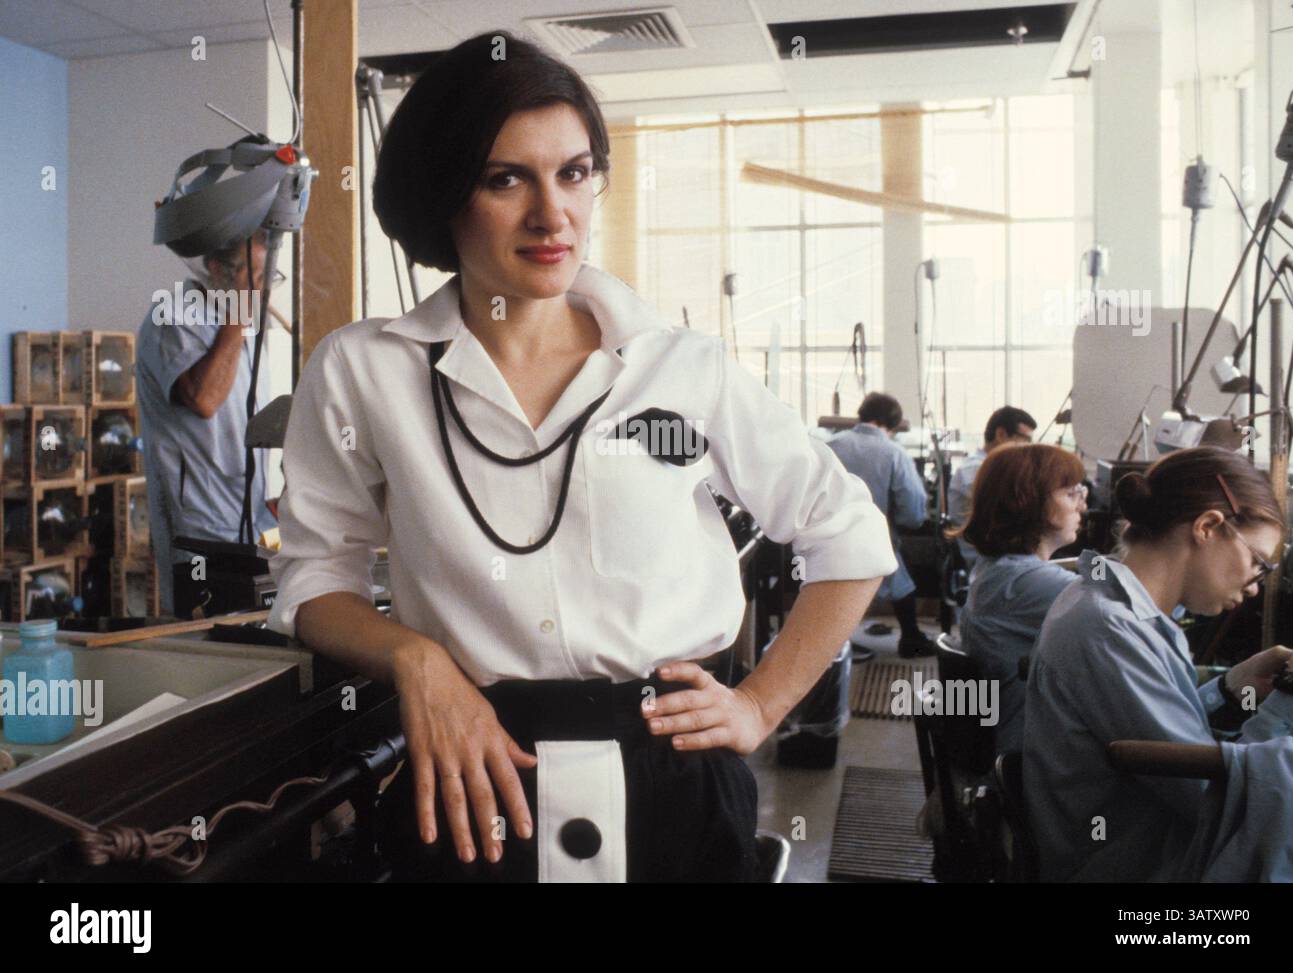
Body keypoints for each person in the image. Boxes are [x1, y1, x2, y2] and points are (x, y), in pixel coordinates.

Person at [266, 31, 896, 883]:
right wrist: (417, 658)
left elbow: (848, 536)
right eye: (505, 179)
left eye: (573, 172)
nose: (551, 213)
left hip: (673, 776)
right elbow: (314, 577)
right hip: (475, 779)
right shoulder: (363, 370)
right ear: (446, 193)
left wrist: (757, 705)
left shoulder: (682, 368)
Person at [1025, 446, 1293, 881]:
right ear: (1208, 526)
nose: (1254, 589)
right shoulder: (1109, 628)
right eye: (1257, 565)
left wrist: (1231, 687)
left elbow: (1163, 738)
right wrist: (1289, 698)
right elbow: (1213, 800)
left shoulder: (1106, 603)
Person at [137, 228, 277, 615]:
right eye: (252, 276)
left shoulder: (242, 326)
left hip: (247, 519)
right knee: (207, 636)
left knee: (252, 635)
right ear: (215, 269)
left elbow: (247, 422)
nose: (261, 289)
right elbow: (204, 398)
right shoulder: (173, 315)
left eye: (267, 278)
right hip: (199, 528)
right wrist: (238, 317)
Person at [954, 443, 1085, 752]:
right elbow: (1133, 608)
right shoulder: (1027, 583)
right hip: (1029, 756)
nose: (1081, 506)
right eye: (1070, 494)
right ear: (1029, 502)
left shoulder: (999, 570)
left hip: (1011, 739)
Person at [827, 393, 933, 658]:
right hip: (873, 538)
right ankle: (910, 637)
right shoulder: (894, 453)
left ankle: (831, 646)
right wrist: (909, 521)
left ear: (862, 414)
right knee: (899, 581)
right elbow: (912, 509)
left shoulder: (831, 446)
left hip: (828, 538)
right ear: (894, 423)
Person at [948, 406, 1036, 564]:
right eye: (1025, 439)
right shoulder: (975, 469)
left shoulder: (993, 468)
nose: (1027, 447)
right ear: (1001, 434)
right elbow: (1008, 510)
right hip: (984, 560)